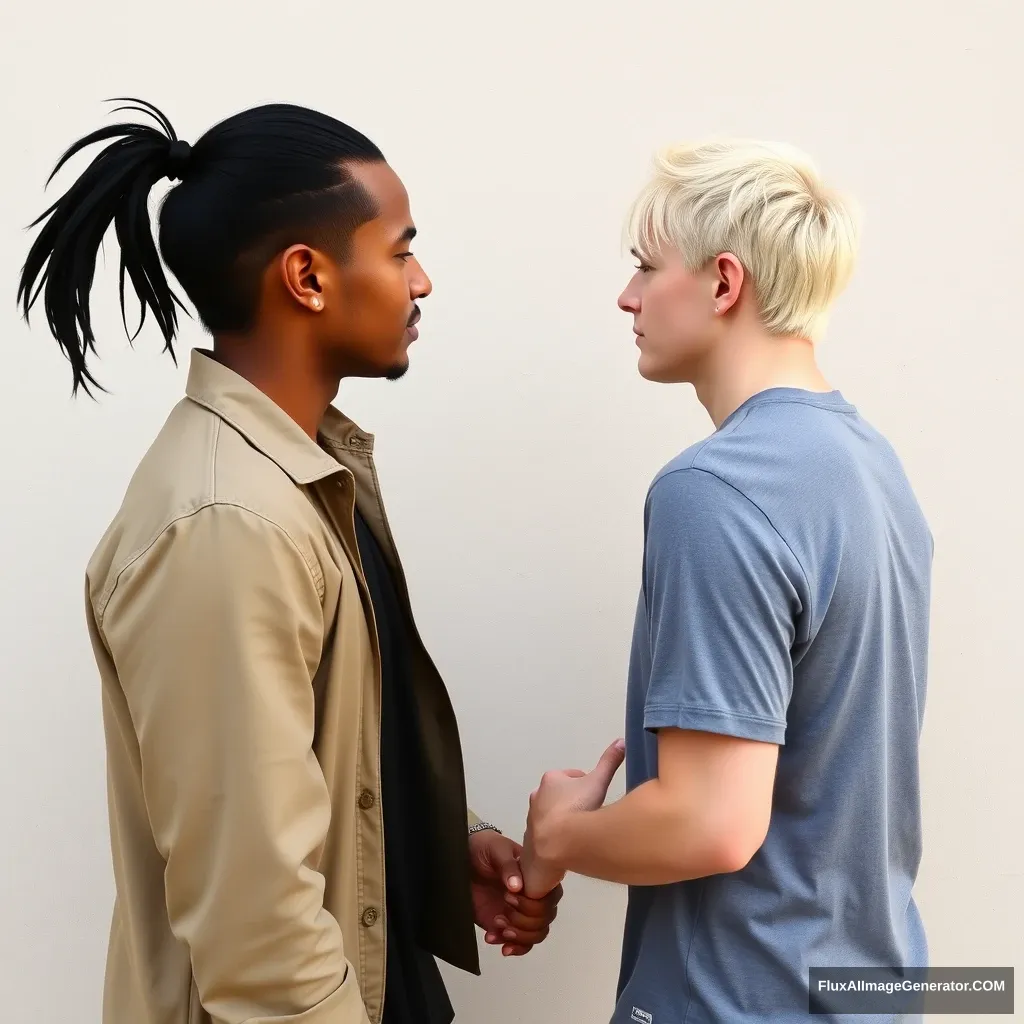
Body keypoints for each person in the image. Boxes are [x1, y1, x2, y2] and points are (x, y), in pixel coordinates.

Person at [18, 98, 561, 1024]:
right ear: (307, 277)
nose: (421, 280)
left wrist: (438, 839)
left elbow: (321, 758)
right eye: (399, 250)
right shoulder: (228, 524)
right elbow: (257, 927)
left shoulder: (299, 478)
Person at [521, 140, 933, 1022]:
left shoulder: (713, 489)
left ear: (723, 283)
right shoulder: (875, 469)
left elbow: (710, 822)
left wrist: (558, 834)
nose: (626, 297)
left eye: (645, 265)